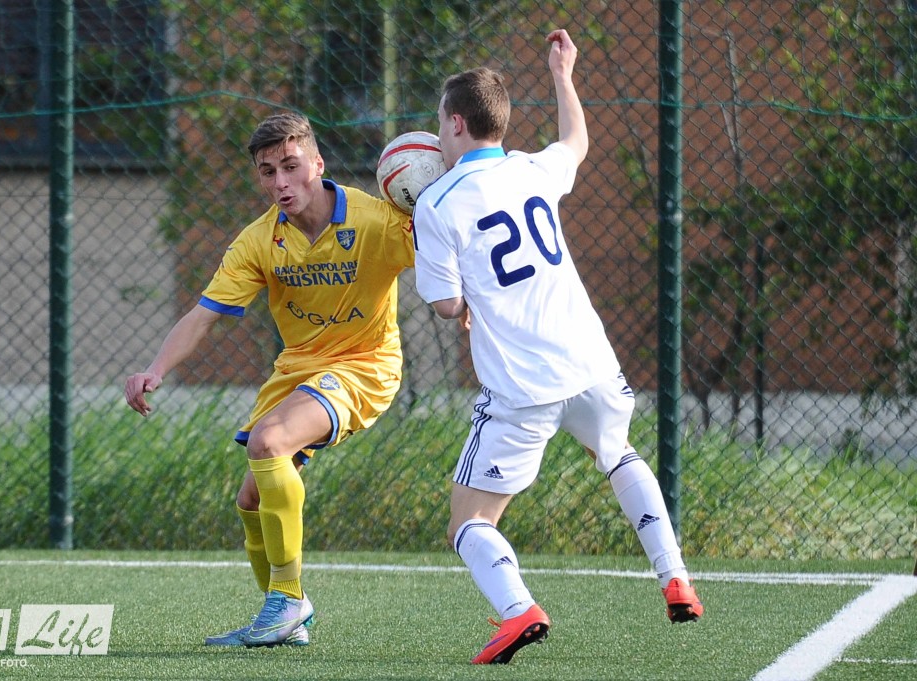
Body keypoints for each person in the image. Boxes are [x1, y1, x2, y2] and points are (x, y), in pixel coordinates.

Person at [411, 29, 704, 665]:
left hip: (522, 388)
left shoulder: (435, 203)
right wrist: (562, 75)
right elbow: (577, 141)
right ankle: (675, 575)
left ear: (456, 123)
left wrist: (461, 294)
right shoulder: (533, 167)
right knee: (618, 453)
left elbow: (446, 305)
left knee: (468, 523)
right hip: (591, 363)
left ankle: (518, 609)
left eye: (440, 122)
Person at [124, 111, 414, 648]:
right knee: (252, 501)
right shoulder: (259, 240)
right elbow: (204, 315)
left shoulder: (376, 219)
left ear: (317, 164)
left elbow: (448, 257)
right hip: (298, 367)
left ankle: (288, 600)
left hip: (365, 363)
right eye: (267, 171)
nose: (280, 182)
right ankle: (284, 618)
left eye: (291, 166)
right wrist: (155, 369)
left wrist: (465, 305)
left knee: (269, 440)